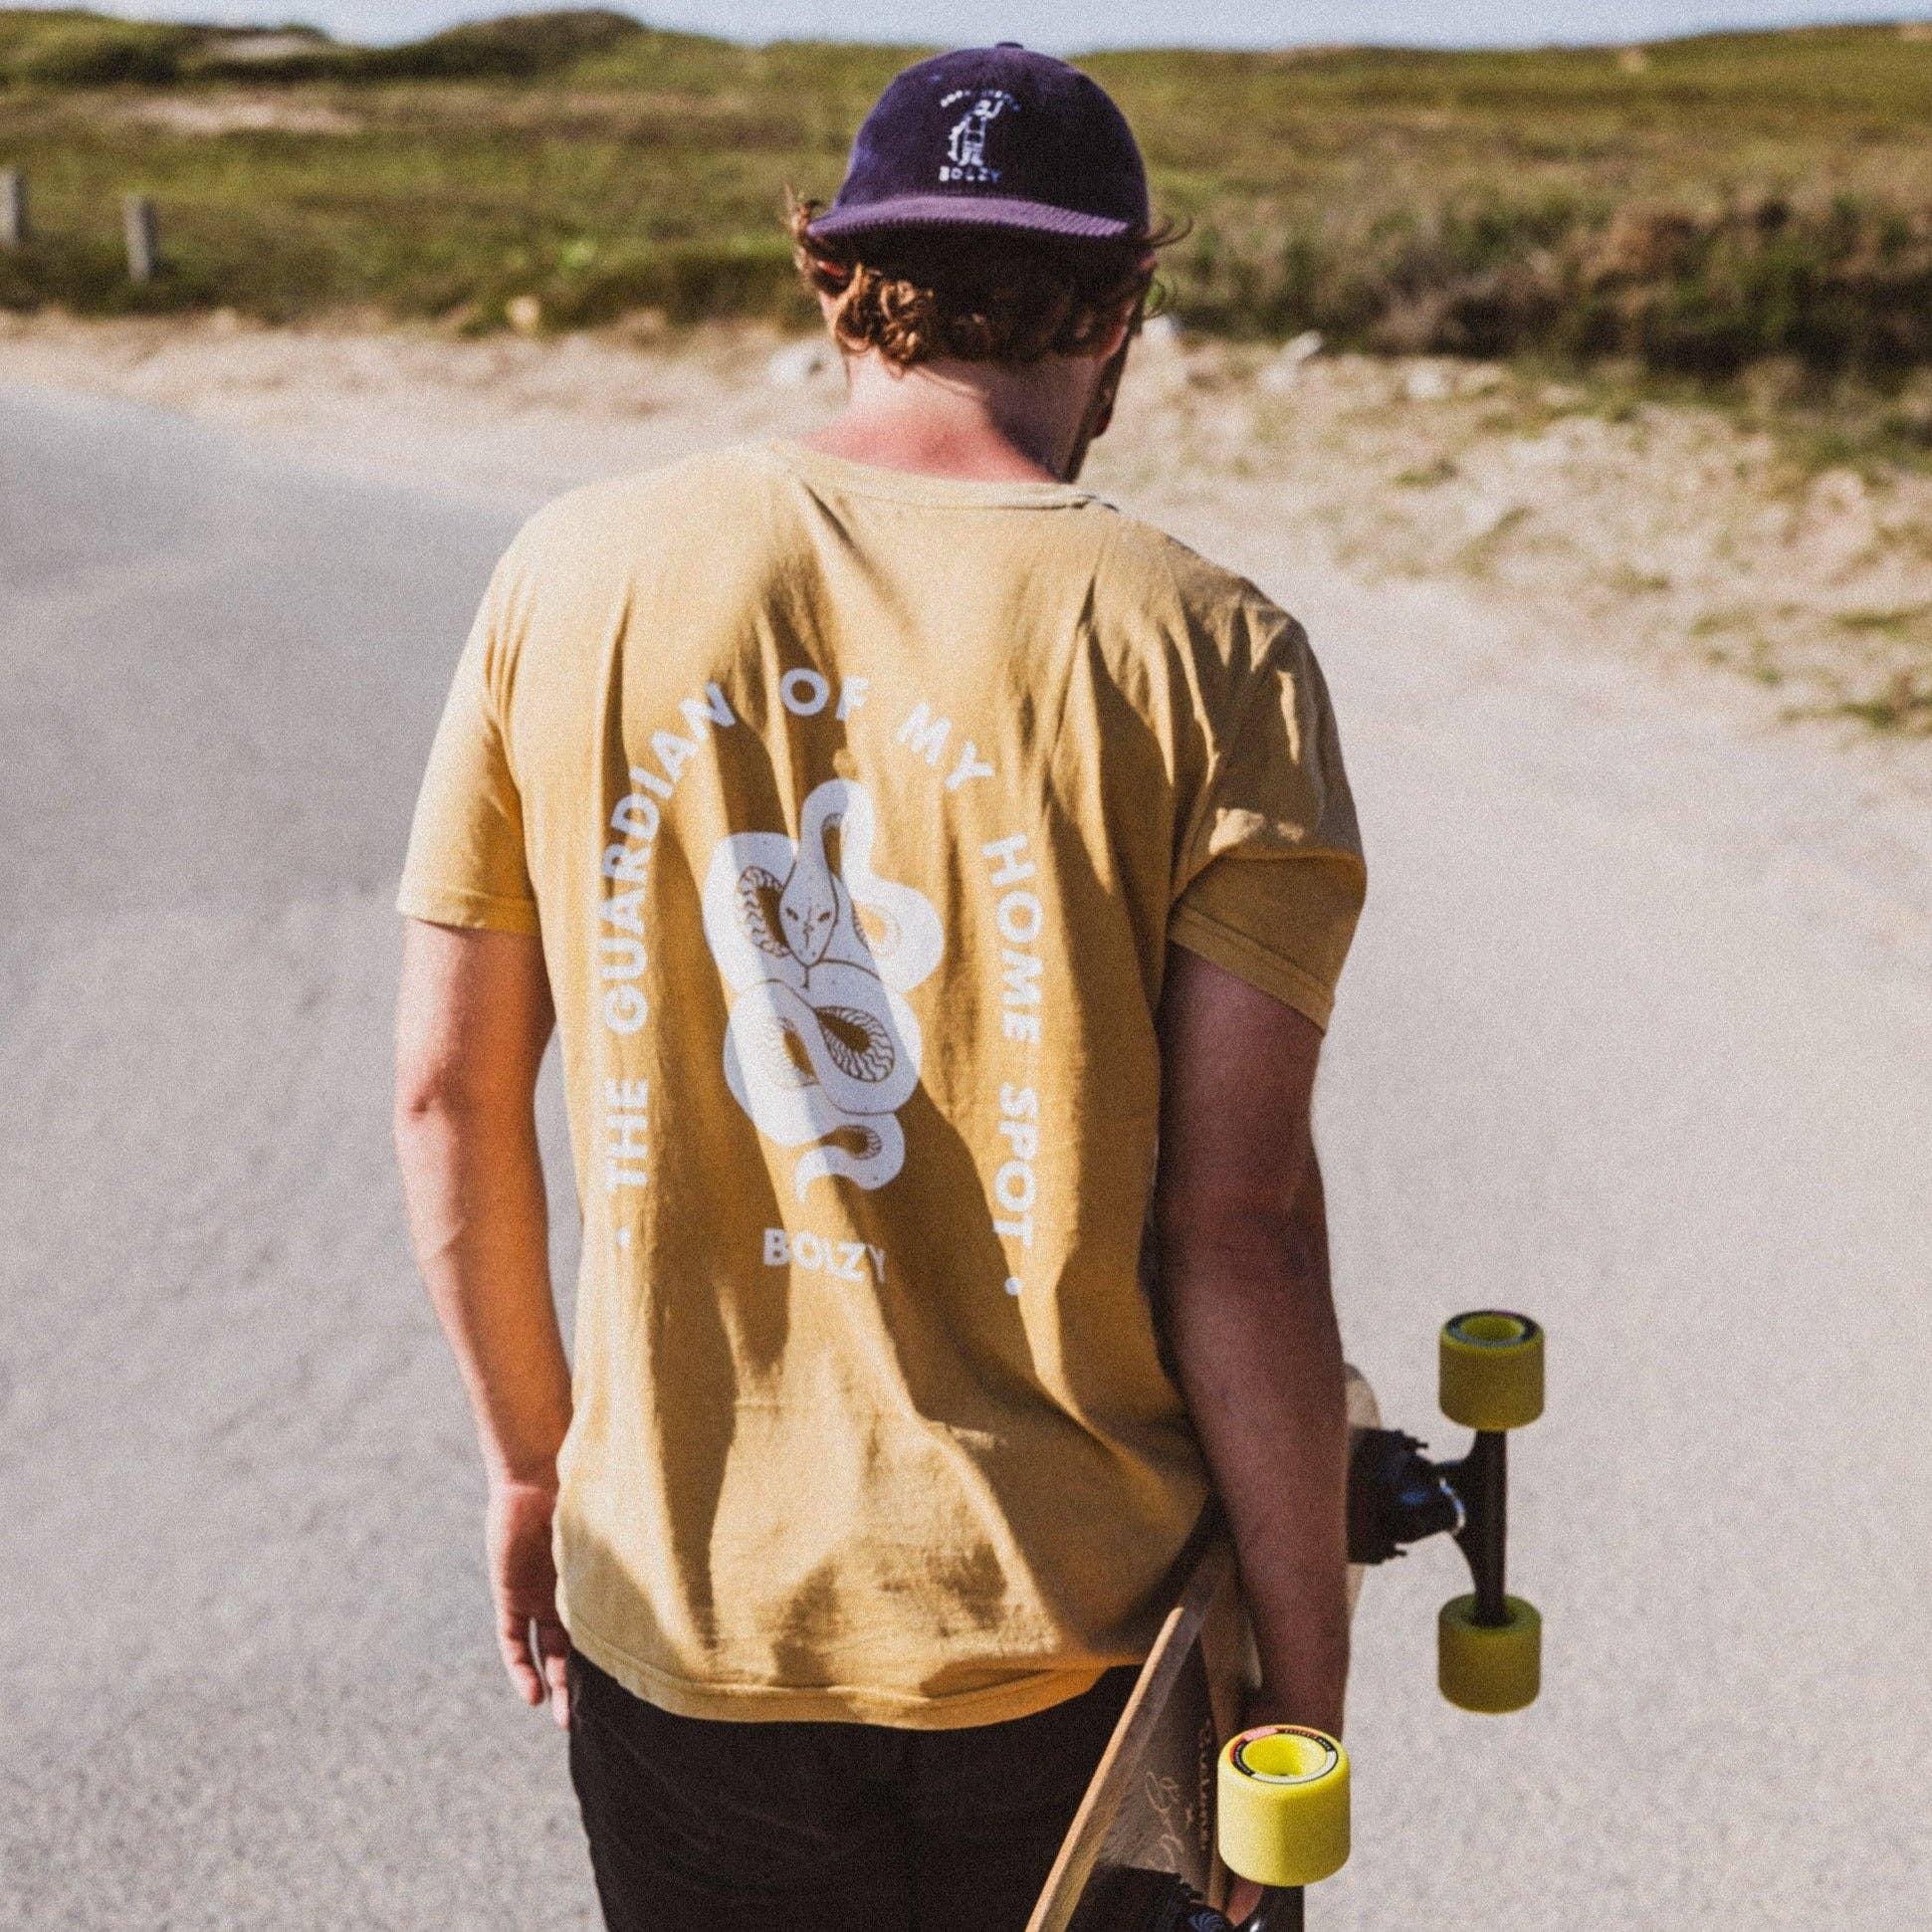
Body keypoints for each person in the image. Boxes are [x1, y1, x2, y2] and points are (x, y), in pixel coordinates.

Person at [393, 43, 1366, 1932]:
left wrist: (533, 1460)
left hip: (688, 1620)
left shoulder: (572, 571)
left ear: (838, 281)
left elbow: (446, 1091)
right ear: (1119, 310)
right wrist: (1302, 1668)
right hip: (1071, 1648)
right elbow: (1236, 1222)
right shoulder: (1209, 651)